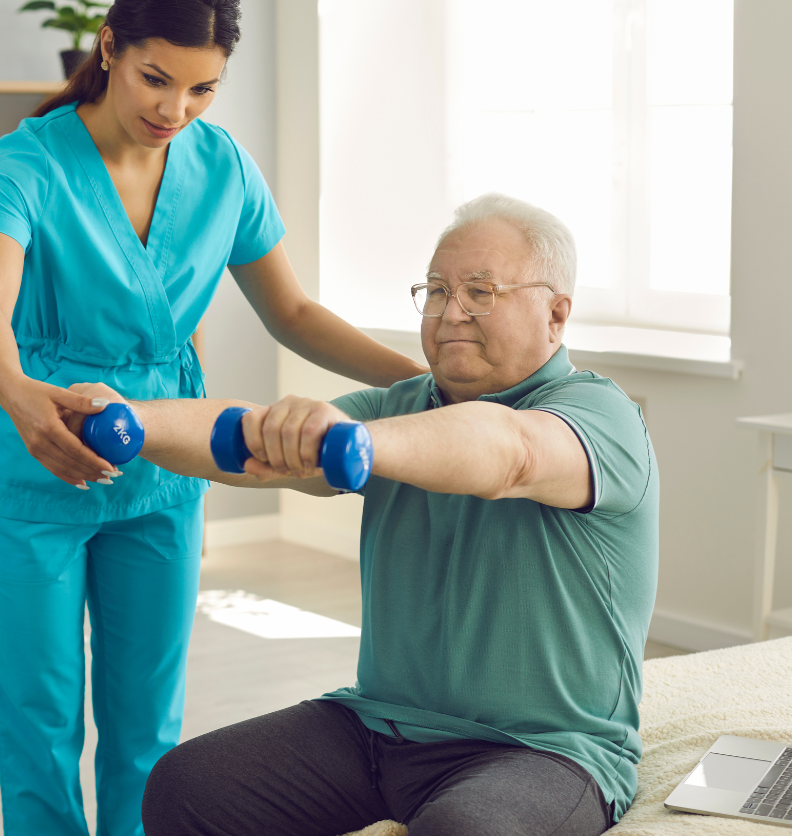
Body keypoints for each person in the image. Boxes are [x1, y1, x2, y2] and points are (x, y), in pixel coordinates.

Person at [0, 1, 426, 834]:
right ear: (110, 48)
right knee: (38, 726)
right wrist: (23, 398)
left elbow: (294, 313)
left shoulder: (224, 168)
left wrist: (425, 385)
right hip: (34, 467)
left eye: (203, 88)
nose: (175, 109)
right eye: (156, 79)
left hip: (167, 466)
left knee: (147, 728)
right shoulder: (25, 163)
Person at [69, 193, 659, 836]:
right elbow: (247, 441)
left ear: (556, 313)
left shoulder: (600, 417)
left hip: (543, 750)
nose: (450, 311)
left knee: (465, 830)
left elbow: (509, 452)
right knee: (188, 786)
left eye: (481, 291)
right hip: (376, 725)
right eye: (435, 289)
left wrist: (364, 444)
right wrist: (127, 418)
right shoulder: (397, 404)